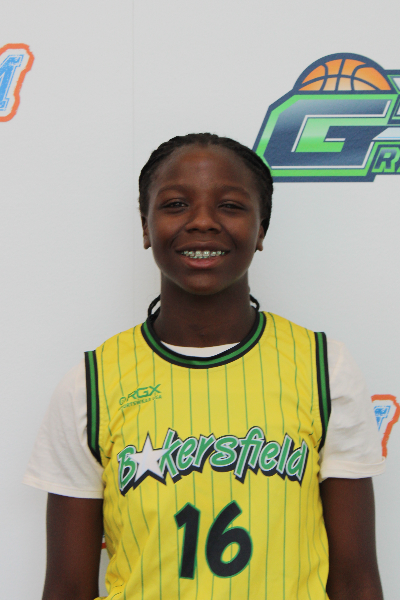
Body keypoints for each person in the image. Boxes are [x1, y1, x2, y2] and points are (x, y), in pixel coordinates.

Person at [24, 133, 385, 600]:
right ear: (145, 226)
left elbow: (356, 582)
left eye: (230, 206)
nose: (202, 221)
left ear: (260, 230)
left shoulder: (323, 367)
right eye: (176, 204)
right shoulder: (90, 385)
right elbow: (67, 587)